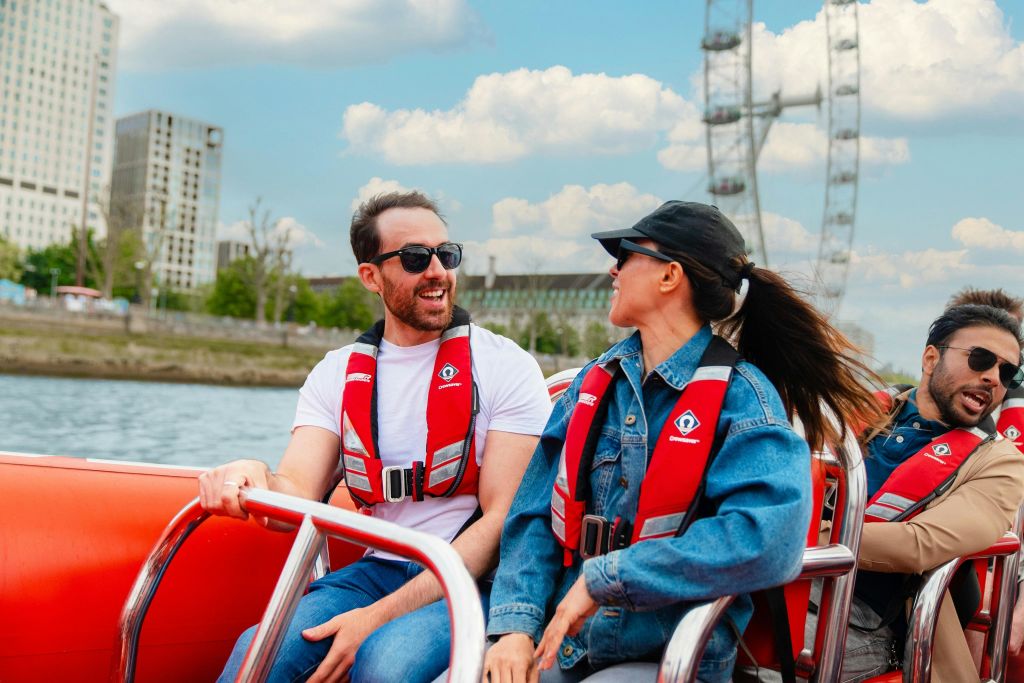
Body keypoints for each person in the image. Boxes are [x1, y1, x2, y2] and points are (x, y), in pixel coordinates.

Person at [481, 201, 885, 683]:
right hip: (564, 645)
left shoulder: (743, 401)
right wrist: (515, 628)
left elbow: (767, 541)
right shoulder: (594, 382)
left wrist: (609, 578)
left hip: (671, 655)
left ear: (669, 276)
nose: (613, 270)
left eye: (625, 255)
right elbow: (533, 515)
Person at [199, 191, 552, 682]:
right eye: (415, 258)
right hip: (377, 571)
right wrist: (252, 473)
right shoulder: (336, 374)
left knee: (386, 663)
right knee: (255, 653)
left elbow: (500, 525)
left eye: (446, 255)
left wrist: (375, 619)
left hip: (471, 579)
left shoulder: (505, 366)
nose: (437, 272)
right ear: (371, 276)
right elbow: (294, 495)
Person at [771, 304, 1023, 683]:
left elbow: (919, 544)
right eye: (980, 359)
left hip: (862, 621)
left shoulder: (1001, 462)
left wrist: (794, 535)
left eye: (1007, 372)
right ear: (930, 358)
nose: (992, 377)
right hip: (775, 576)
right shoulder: (853, 410)